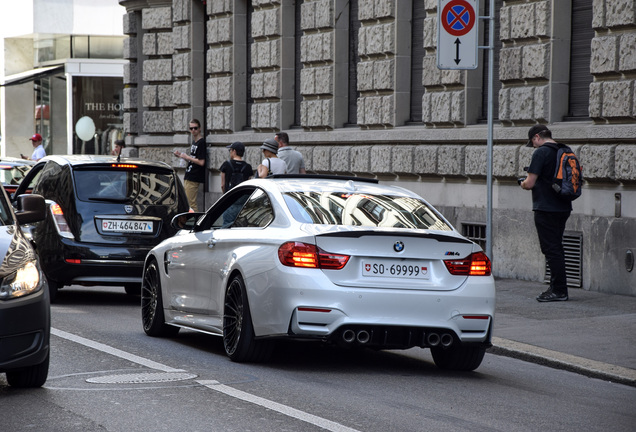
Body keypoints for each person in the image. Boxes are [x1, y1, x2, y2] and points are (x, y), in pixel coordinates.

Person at [519, 125, 572, 302]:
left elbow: (530, 182)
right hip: (563, 206)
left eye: (532, 142)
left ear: (537, 137)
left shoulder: (541, 153)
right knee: (556, 247)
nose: (533, 146)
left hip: (546, 207)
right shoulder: (564, 149)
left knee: (551, 249)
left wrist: (522, 183)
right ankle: (557, 287)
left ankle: (559, 291)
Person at [174, 119, 207, 211]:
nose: (193, 130)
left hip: (194, 176)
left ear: (199, 129)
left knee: (190, 203)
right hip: (189, 175)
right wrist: (181, 155)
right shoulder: (194, 142)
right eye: (191, 128)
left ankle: (195, 223)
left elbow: (201, 162)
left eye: (195, 128)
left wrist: (187, 157)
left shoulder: (201, 142)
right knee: (187, 202)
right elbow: (193, 159)